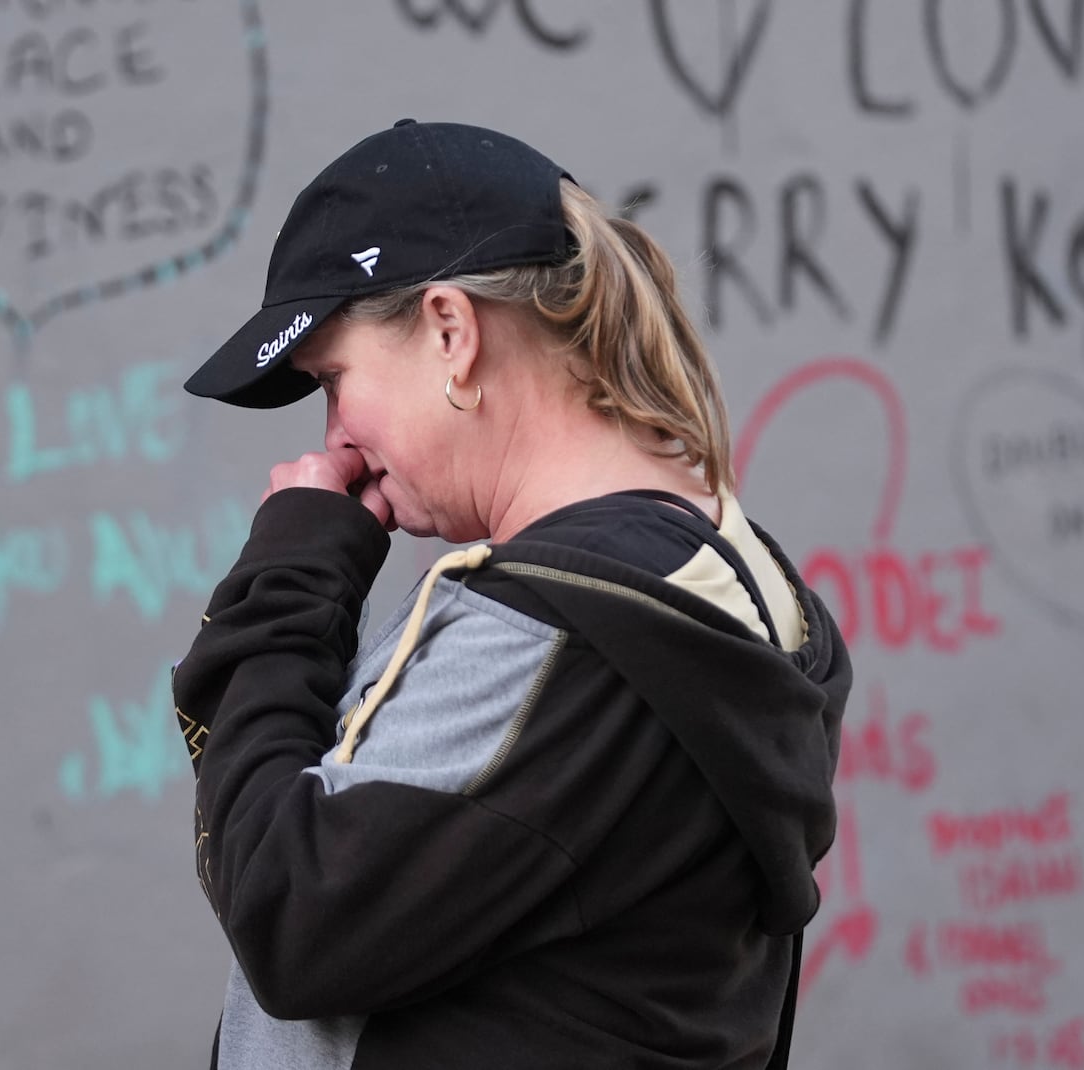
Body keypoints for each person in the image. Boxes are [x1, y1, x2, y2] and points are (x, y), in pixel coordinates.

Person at [173, 119, 850, 1070]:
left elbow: (288, 908)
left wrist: (288, 583)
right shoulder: (724, 577)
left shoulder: (552, 632)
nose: (337, 438)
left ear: (452, 331)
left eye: (334, 378)